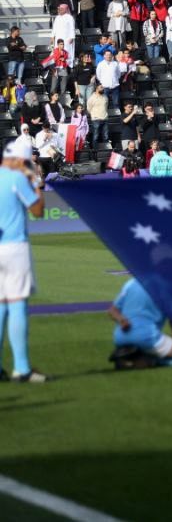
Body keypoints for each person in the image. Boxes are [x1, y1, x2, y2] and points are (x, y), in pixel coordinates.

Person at [0, 138, 47, 382]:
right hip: (13, 245)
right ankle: (22, 368)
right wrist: (36, 181)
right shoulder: (17, 177)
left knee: (1, 307)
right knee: (17, 304)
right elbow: (38, 211)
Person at [107, 278, 172, 368]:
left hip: (120, 337)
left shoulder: (130, 283)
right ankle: (147, 361)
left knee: (157, 347)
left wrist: (122, 320)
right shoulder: (167, 287)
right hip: (147, 337)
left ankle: (130, 359)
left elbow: (112, 310)